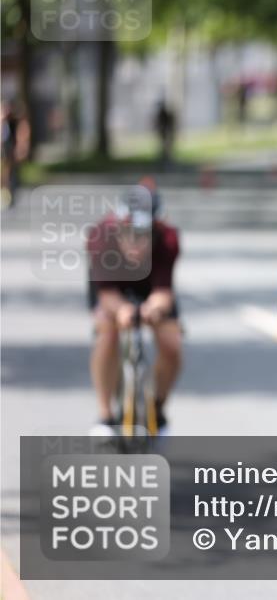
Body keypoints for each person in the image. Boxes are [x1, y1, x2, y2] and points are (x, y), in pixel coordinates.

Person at [87, 179, 182, 436]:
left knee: (172, 343)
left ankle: (157, 410)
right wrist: (121, 311)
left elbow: (163, 293)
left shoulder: (168, 239)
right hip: (112, 287)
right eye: (128, 233)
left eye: (143, 235)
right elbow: (107, 295)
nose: (135, 243)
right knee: (107, 332)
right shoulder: (100, 238)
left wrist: (155, 308)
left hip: (150, 287)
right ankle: (106, 415)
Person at [1, 98, 31, 210]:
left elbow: (22, 136)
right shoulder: (4, 120)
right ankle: (6, 193)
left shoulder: (16, 121)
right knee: (6, 172)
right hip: (5, 149)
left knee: (11, 172)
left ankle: (10, 194)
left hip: (11, 150)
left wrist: (22, 148)